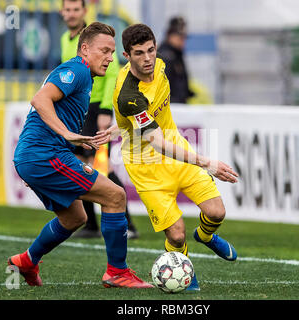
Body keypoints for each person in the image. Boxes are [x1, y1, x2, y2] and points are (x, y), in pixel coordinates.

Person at [94, 24, 239, 291]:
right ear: (127, 55)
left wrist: (118, 128)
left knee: (216, 212)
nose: (147, 58)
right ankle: (183, 268)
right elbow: (156, 141)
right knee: (176, 232)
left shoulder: (160, 66)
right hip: (146, 167)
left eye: (151, 50)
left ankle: (205, 235)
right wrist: (207, 162)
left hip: (176, 151)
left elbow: (143, 121)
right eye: (139, 53)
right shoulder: (129, 94)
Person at [8, 22, 152, 289]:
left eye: (112, 52)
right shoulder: (77, 69)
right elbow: (40, 100)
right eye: (104, 51)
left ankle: (27, 261)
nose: (110, 58)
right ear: (85, 49)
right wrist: (67, 134)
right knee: (115, 195)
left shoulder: (83, 75)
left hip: (37, 156)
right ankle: (117, 272)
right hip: (43, 155)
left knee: (75, 218)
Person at [60, 0, 139, 239]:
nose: (72, 14)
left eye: (76, 9)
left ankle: (128, 224)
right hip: (78, 110)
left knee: (101, 165)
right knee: (77, 165)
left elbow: (113, 71)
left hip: (96, 110)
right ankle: (91, 224)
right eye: (68, 9)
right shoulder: (66, 39)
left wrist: (106, 111)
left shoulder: (96, 39)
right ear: (62, 12)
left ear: (84, 11)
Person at [158, 16, 194, 104]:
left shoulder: (176, 54)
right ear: (170, 36)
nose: (183, 42)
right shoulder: (165, 56)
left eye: (184, 38)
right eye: (180, 38)